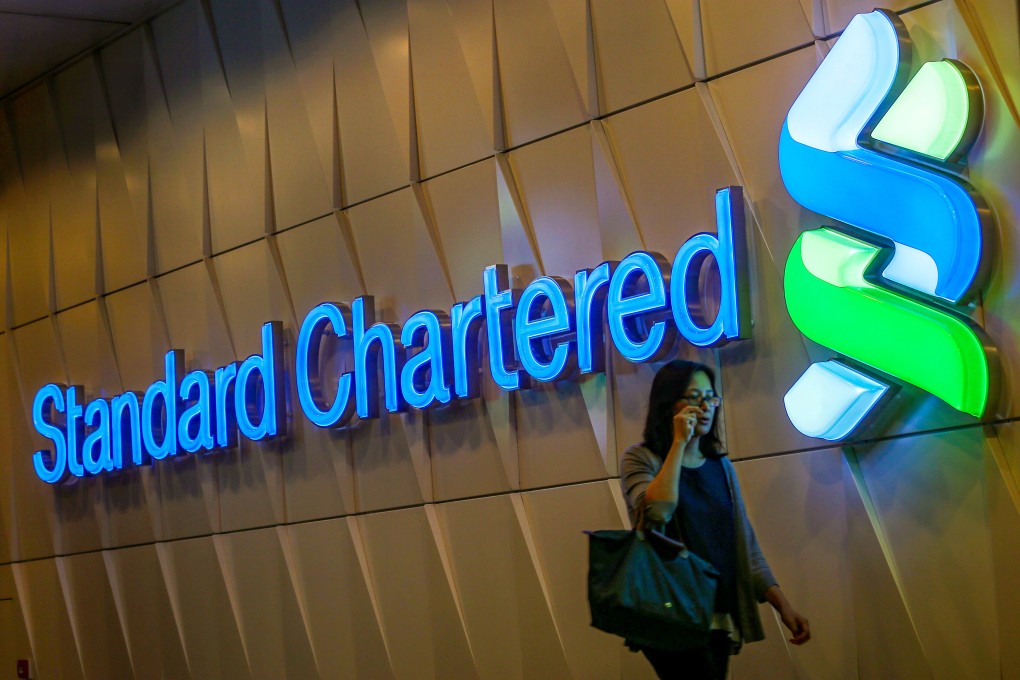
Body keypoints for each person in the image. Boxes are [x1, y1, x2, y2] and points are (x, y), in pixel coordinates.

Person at [621, 360, 810, 679]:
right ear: (669, 405)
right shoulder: (641, 459)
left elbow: (745, 548)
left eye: (710, 397)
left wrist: (783, 606)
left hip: (718, 615)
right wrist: (679, 442)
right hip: (670, 614)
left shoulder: (720, 467)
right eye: (694, 397)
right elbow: (656, 513)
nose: (705, 406)